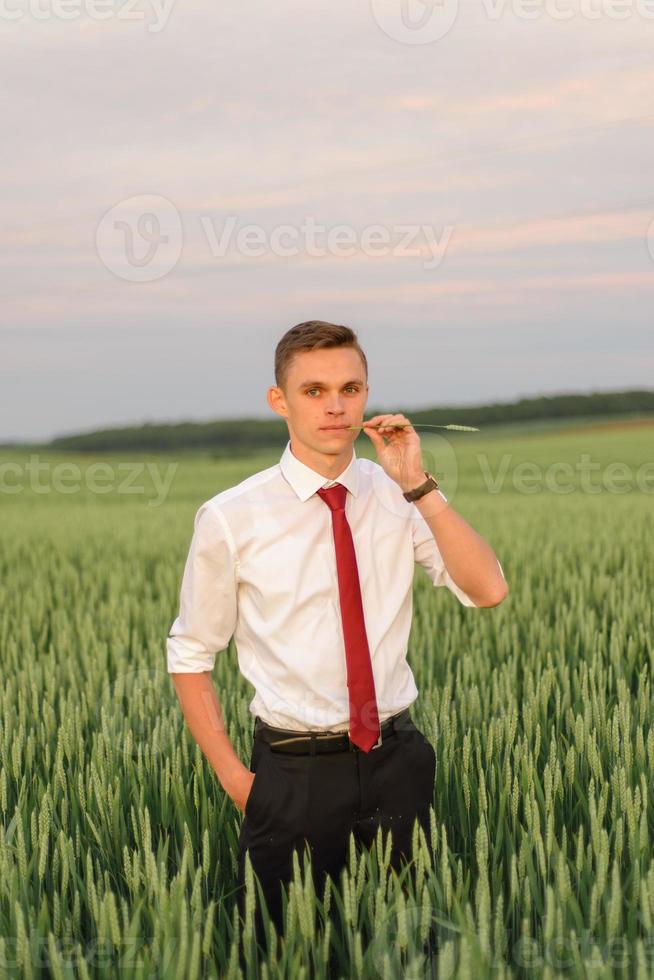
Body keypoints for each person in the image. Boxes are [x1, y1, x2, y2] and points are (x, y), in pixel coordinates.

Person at [166, 319, 508, 944]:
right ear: (280, 401)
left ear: (366, 395)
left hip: (397, 761)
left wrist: (417, 485)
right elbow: (191, 653)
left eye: (350, 388)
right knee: (286, 952)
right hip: (291, 774)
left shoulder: (397, 494)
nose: (335, 406)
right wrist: (237, 781)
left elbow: (488, 590)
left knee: (410, 950)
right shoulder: (232, 516)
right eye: (314, 390)